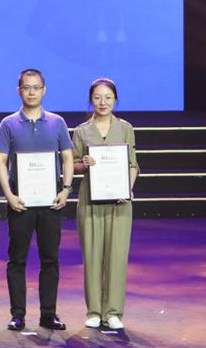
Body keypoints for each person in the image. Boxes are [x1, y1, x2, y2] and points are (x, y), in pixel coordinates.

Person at [0, 68, 74, 332]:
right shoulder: (8, 124)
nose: (31, 92)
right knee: (17, 259)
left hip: (51, 201)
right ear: (19, 90)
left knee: (50, 259)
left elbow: (67, 157)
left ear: (44, 90)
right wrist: (9, 195)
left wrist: (66, 189)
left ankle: (48, 314)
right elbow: (0, 161)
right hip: (21, 202)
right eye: (26, 87)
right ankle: (17, 314)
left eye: (36, 87)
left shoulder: (57, 122)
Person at [72, 78, 139, 331]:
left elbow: (132, 164)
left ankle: (113, 311)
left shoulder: (125, 128)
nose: (103, 102)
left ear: (115, 100)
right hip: (90, 200)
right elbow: (73, 165)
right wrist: (83, 163)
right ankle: (93, 310)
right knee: (92, 255)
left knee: (117, 257)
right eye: (98, 97)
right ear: (91, 100)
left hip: (120, 202)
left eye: (108, 97)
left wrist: (127, 189)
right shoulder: (81, 131)